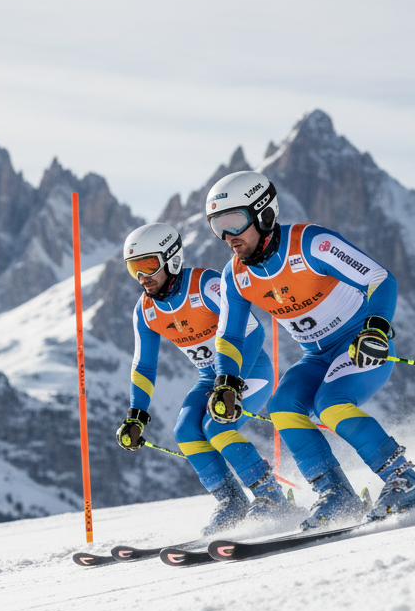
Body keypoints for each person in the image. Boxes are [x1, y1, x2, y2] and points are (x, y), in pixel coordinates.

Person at [206, 171, 415, 530]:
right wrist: (227, 380)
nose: (227, 237)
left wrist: (375, 328)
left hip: (360, 345)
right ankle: (335, 492)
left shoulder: (310, 243)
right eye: (217, 226)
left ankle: (406, 482)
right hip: (315, 357)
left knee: (330, 405)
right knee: (283, 406)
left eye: (234, 222)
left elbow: (380, 279)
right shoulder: (235, 275)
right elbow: (230, 336)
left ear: (264, 213)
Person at [116, 222, 294, 535]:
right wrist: (136, 417)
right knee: (185, 431)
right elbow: (143, 366)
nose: (142, 277)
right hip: (209, 379)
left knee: (216, 427)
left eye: (148, 265)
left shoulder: (205, 285)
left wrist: (231, 382)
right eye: (134, 269)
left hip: (249, 371)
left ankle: (271, 498)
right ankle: (232, 502)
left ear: (171, 259)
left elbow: (252, 332)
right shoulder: (145, 310)